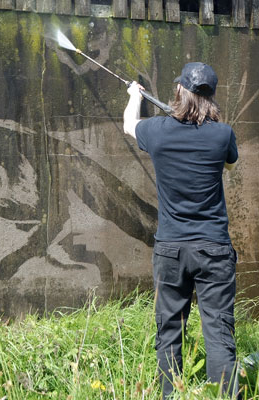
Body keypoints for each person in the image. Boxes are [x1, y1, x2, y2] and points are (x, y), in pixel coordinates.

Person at [123, 62, 239, 399]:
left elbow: (130, 126)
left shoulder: (157, 130)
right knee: (218, 333)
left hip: (171, 250)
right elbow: (230, 165)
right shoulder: (223, 134)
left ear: (179, 92)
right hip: (214, 249)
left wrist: (135, 96)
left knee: (170, 332)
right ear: (211, 97)